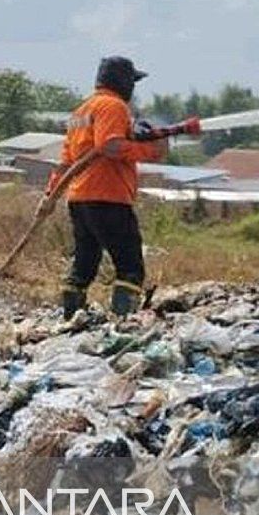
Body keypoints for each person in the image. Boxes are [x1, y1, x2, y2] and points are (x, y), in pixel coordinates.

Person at [48, 56, 167, 319]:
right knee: (130, 266)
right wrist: (151, 151)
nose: (133, 90)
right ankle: (122, 323)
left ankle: (71, 318)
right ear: (123, 81)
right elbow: (110, 146)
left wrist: (51, 194)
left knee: (84, 264)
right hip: (108, 197)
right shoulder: (113, 106)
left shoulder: (81, 112)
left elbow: (65, 161)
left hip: (79, 199)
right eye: (132, 82)